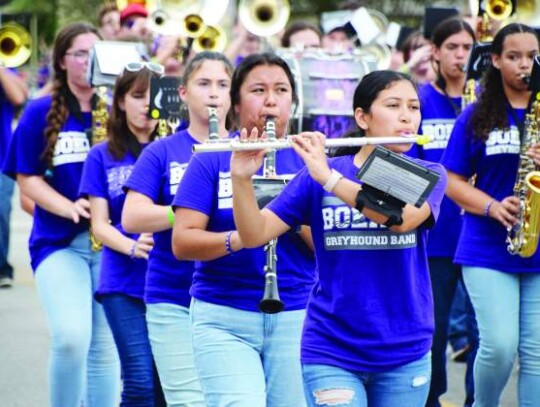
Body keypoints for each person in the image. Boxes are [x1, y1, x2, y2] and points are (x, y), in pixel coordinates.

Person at [229, 70, 447, 407]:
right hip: (331, 348)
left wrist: (329, 178)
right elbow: (254, 234)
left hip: (406, 348)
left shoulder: (429, 173)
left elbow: (400, 219)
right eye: (393, 105)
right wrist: (241, 180)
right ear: (362, 117)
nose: (408, 116)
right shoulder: (319, 173)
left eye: (414, 107)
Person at [171, 52, 317, 407]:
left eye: (281, 90)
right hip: (223, 315)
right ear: (235, 102)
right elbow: (182, 241)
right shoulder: (211, 155)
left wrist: (283, 214)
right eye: (258, 90)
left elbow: (329, 245)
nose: (271, 100)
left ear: (293, 101)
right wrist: (242, 237)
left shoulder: (310, 159)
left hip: (297, 311)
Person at [2, 22, 120, 406]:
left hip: (114, 246)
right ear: (62, 61)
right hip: (60, 243)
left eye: (95, 53)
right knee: (72, 338)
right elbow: (27, 179)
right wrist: (67, 206)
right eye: (80, 53)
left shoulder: (120, 114)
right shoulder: (39, 111)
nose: (89, 61)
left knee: (105, 349)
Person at [122, 51, 233, 406]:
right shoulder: (162, 151)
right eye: (203, 84)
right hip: (172, 296)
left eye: (222, 85)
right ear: (183, 93)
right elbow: (132, 217)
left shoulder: (247, 148)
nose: (213, 93)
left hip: (231, 299)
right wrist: (185, 212)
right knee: (188, 401)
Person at [441, 23, 540, 407]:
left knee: (535, 355)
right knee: (499, 345)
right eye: (512, 56)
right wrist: (491, 205)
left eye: (532, 56)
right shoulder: (475, 114)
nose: (523, 65)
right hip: (486, 243)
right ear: (495, 60)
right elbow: (450, 180)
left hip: (539, 243)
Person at [79, 62, 166, 407]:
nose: (147, 104)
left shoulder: (177, 150)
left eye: (155, 96)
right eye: (138, 95)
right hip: (122, 284)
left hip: (169, 284)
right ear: (120, 102)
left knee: (165, 388)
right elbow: (98, 225)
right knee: (140, 382)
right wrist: (131, 245)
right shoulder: (101, 156)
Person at [408, 17, 477, 407]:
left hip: (480, 234)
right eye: (452, 47)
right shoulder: (419, 99)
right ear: (435, 52)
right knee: (432, 331)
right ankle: (430, 400)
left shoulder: (483, 100)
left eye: (467, 48)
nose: (460, 56)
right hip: (435, 235)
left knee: (481, 332)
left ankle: (476, 399)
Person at [0, 64, 28, 288]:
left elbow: (19, 97)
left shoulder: (6, 72)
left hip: (2, 158)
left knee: (1, 213)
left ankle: (1, 268)